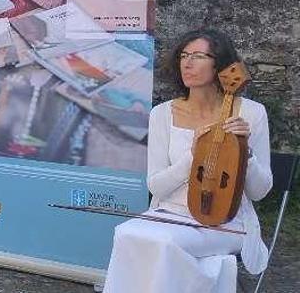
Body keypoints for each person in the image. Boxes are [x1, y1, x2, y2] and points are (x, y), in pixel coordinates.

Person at [103, 29, 273, 293]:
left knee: (164, 244)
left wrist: (245, 152)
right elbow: (156, 187)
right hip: (169, 213)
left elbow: (260, 192)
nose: (187, 62)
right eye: (183, 55)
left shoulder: (252, 112)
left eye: (198, 56)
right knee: (127, 232)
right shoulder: (162, 114)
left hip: (227, 221)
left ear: (220, 64)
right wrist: (194, 155)